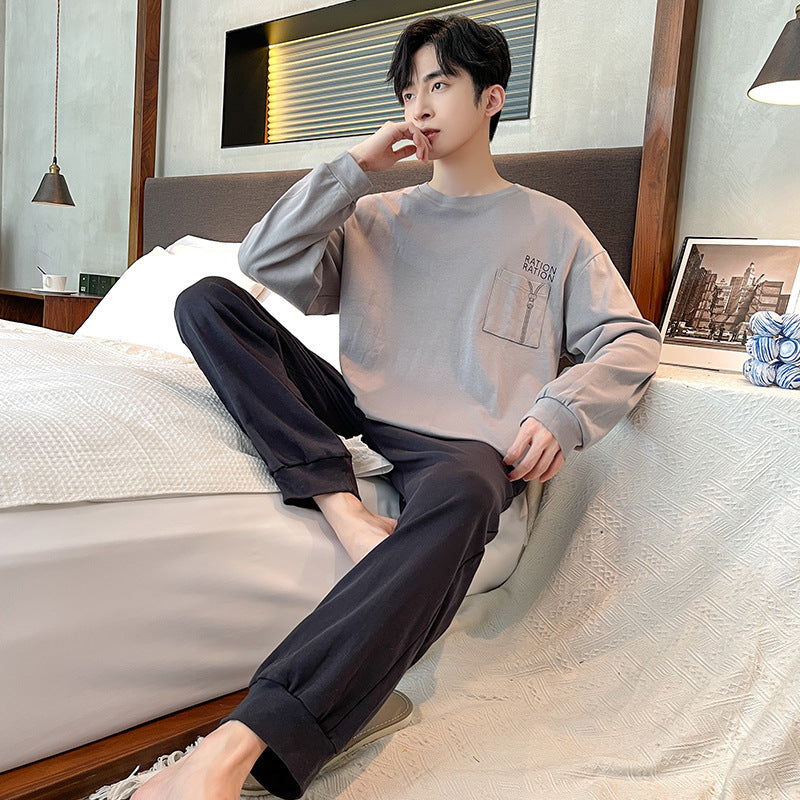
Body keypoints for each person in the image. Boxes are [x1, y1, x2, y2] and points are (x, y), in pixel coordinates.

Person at [133, 14, 662, 800]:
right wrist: (354, 168)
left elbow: (630, 338)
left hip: (464, 445)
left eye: (439, 84)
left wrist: (562, 409)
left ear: (491, 98)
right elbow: (264, 257)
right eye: (409, 89)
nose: (419, 104)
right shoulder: (374, 215)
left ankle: (239, 744)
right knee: (205, 301)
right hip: (362, 408)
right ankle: (341, 505)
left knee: (473, 492)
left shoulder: (552, 226)